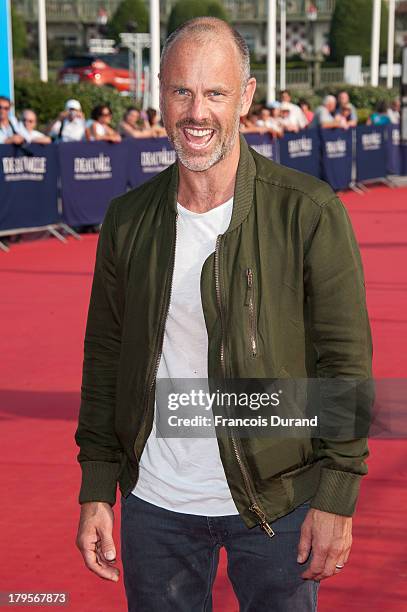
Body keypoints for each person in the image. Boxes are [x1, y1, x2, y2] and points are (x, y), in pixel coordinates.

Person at [75, 17, 372, 612]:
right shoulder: (128, 220)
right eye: (182, 90)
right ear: (160, 95)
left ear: (246, 98)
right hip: (156, 503)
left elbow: (344, 361)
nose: (197, 111)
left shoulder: (307, 212)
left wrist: (337, 492)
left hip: (277, 503)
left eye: (215, 92)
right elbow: (106, 358)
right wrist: (96, 485)